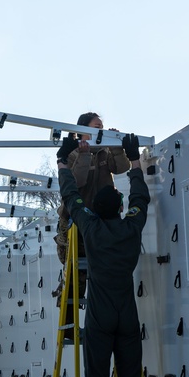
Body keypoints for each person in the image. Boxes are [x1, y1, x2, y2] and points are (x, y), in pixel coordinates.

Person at [57, 133, 149, 377]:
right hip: (127, 315)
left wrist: (62, 162)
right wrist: (134, 160)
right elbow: (142, 197)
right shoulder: (132, 226)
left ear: (96, 209)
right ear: (122, 209)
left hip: (98, 315)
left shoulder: (90, 227)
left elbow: (71, 197)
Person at [54, 112, 131, 265]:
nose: (101, 132)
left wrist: (115, 146)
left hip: (102, 218)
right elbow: (76, 183)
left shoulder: (105, 152)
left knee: (104, 264)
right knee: (76, 270)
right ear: (83, 131)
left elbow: (122, 168)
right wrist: (84, 155)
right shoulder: (72, 153)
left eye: (102, 128)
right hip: (75, 219)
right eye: (97, 128)